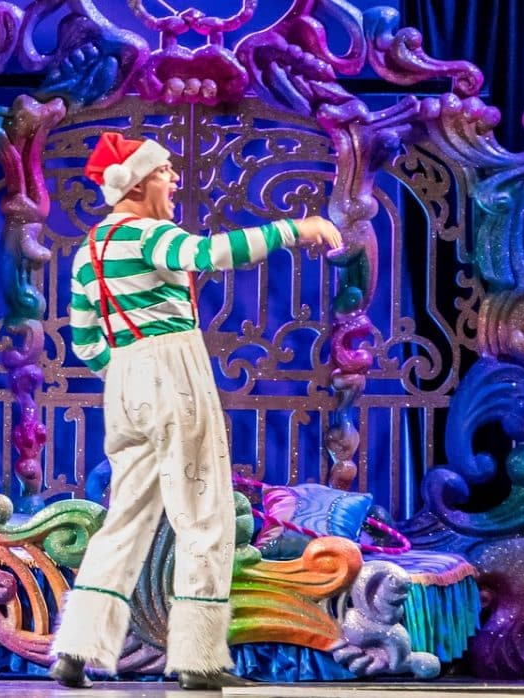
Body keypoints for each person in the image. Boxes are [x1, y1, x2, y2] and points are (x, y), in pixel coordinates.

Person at [48, 132, 341, 691]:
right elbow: (204, 255)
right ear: (137, 184)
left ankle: (77, 647)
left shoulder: (89, 250)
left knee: (125, 517)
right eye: (163, 172)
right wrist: (293, 230)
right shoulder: (148, 232)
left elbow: (85, 342)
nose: (174, 179)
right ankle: (199, 658)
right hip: (171, 367)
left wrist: (128, 372)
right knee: (204, 510)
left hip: (124, 379)